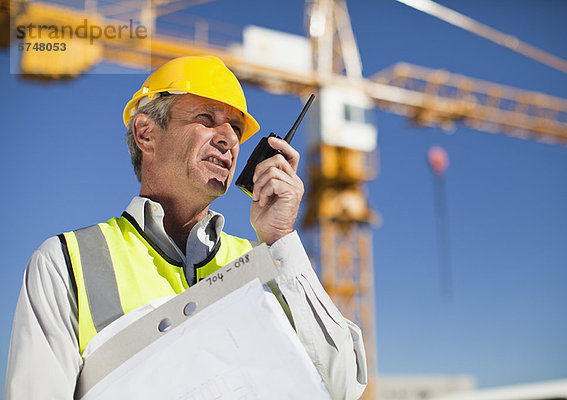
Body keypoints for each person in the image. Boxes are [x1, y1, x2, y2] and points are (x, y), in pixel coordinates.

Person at [5, 56, 367, 399]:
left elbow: (343, 386)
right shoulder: (67, 263)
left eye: (236, 129)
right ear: (146, 134)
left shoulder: (266, 261)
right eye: (207, 118)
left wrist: (282, 241)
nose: (228, 138)